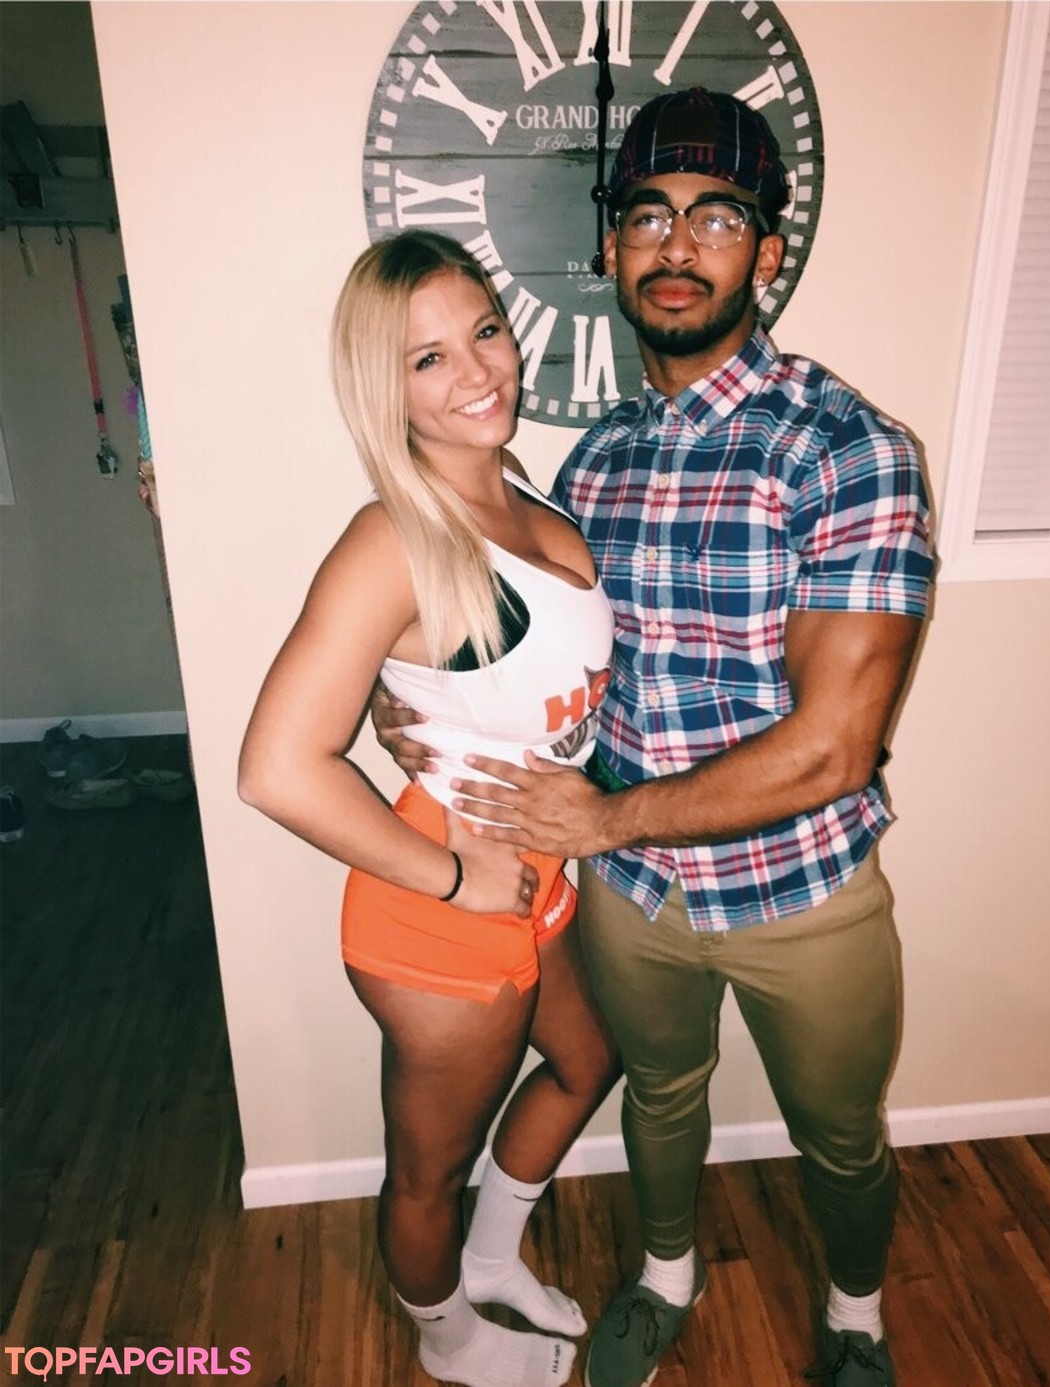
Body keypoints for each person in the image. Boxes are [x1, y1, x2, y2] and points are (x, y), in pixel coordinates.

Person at [373, 91, 935, 1387]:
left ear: (767, 251)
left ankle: (856, 1317)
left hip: (804, 889)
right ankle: (665, 1275)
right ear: (613, 249)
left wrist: (607, 818)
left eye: (717, 218)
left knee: (841, 1135)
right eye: (648, 216)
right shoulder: (590, 468)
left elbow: (835, 747)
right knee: (662, 1094)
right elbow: (543, 668)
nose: (678, 245)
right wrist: (430, 722)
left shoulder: (848, 448)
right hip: (631, 896)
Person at [239, 230, 620, 1387]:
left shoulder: (519, 486)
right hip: (439, 912)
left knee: (587, 1062)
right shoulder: (392, 540)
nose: (477, 372)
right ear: (385, 389)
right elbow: (277, 766)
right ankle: (446, 1338)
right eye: (428, 359)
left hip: (535, 882)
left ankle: (489, 1262)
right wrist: (455, 877)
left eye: (484, 331)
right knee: (426, 1172)